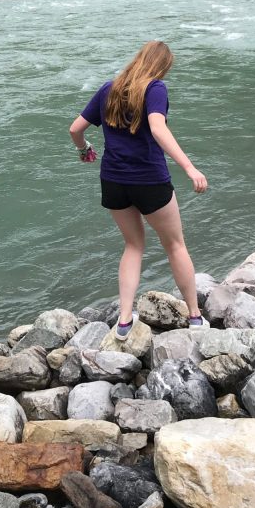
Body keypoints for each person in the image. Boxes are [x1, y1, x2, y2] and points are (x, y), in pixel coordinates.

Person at [69, 40, 208, 341]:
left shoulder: (110, 88)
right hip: (149, 180)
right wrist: (189, 168)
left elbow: (75, 129)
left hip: (114, 181)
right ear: (162, 66)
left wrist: (84, 151)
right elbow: (158, 128)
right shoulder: (155, 89)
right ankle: (195, 318)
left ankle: (124, 321)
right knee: (175, 246)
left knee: (133, 246)